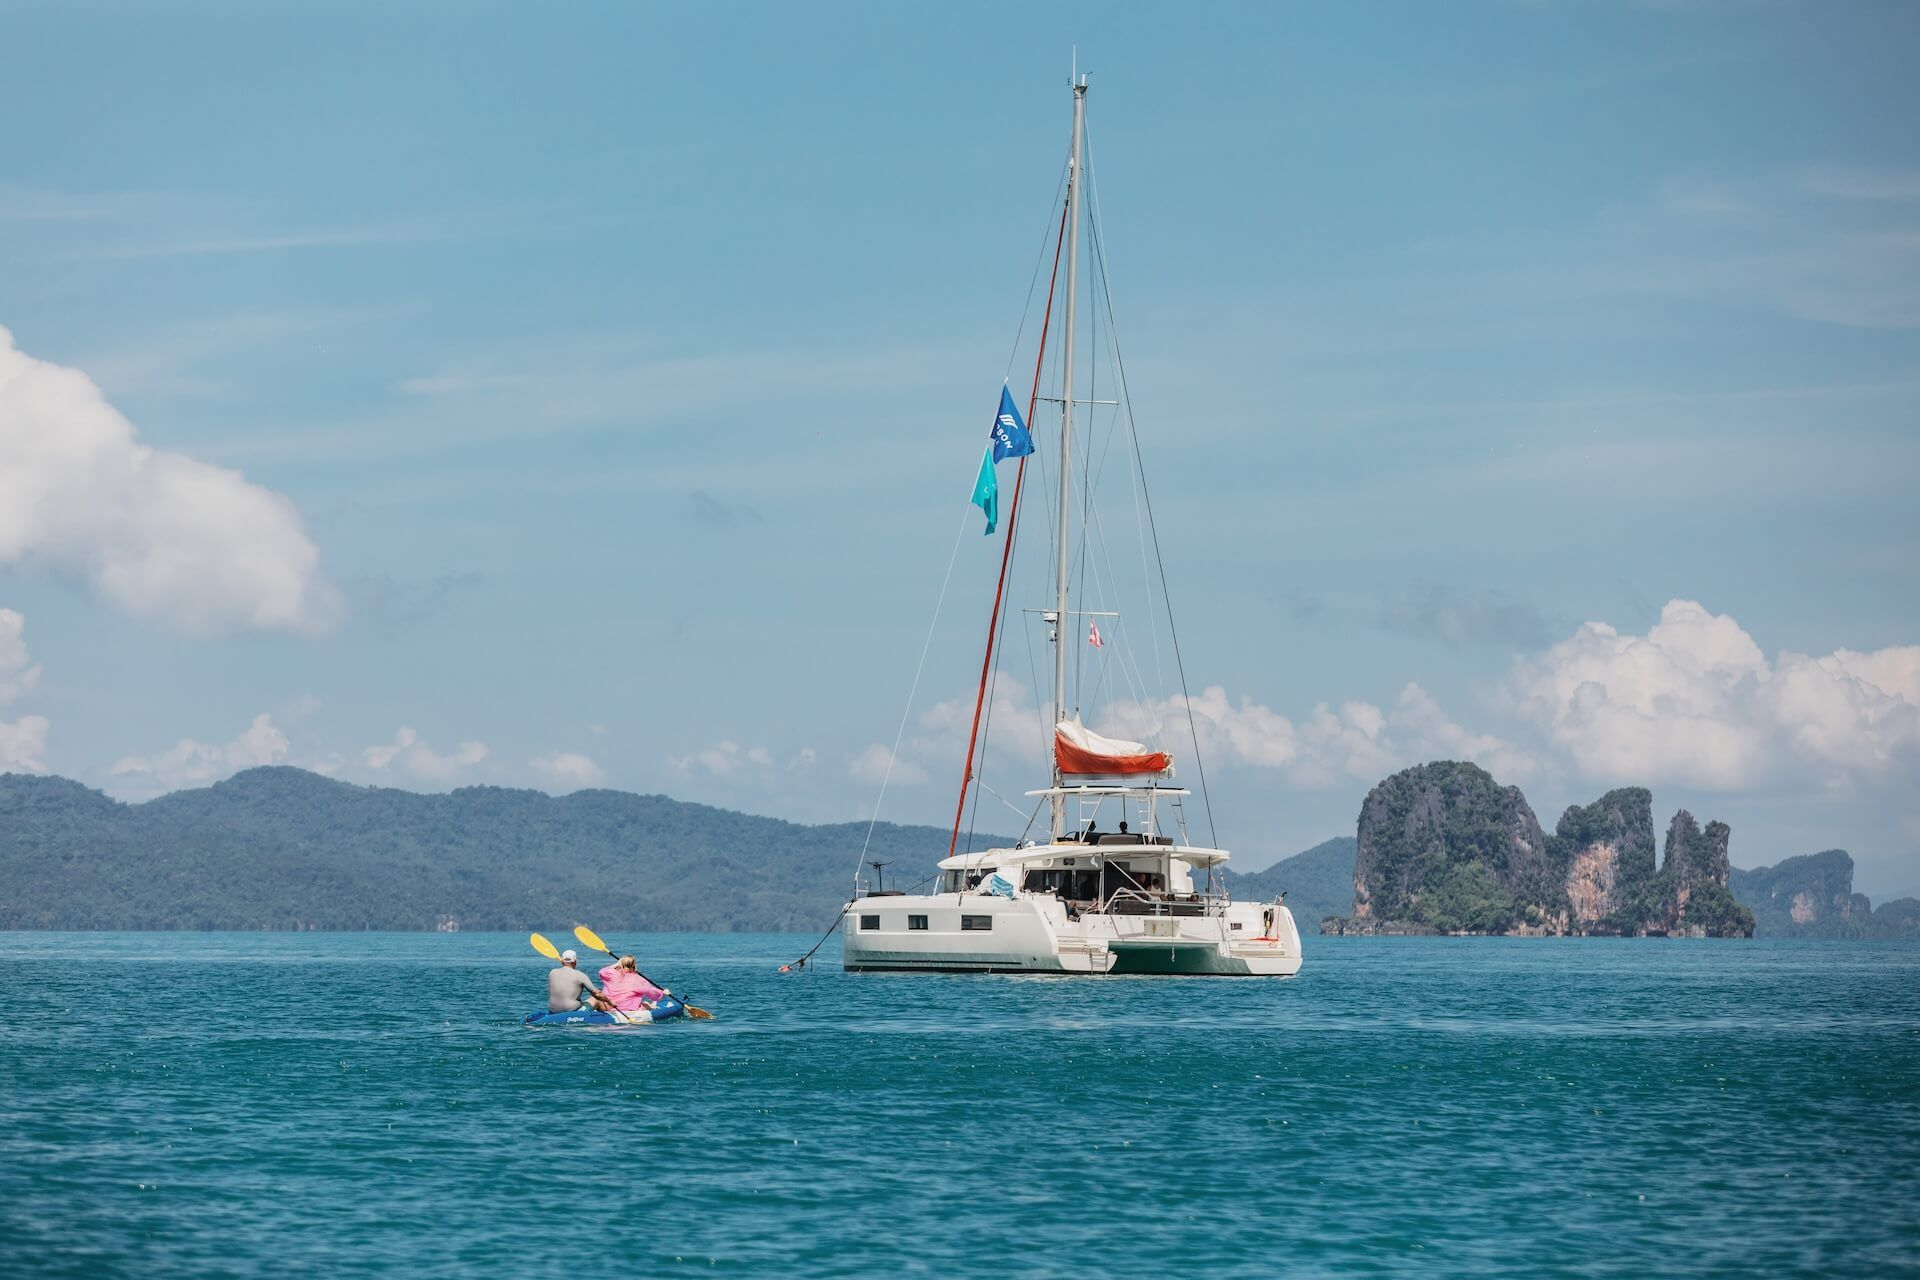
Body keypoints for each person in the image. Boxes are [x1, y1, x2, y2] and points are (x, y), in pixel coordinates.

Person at [547, 949, 613, 1014]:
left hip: (553, 1011)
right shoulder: (580, 975)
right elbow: (596, 994)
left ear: (562, 961)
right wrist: (609, 1001)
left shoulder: (552, 973)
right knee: (596, 999)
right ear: (575, 961)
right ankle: (609, 1016)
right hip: (572, 1011)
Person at [598, 955, 667, 1012]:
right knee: (646, 1004)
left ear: (620, 964)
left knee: (644, 1003)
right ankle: (652, 1007)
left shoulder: (612, 974)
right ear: (634, 966)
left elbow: (602, 971)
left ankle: (650, 1005)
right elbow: (651, 991)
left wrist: (617, 964)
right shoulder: (637, 979)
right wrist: (663, 993)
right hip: (627, 1010)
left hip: (608, 1007)